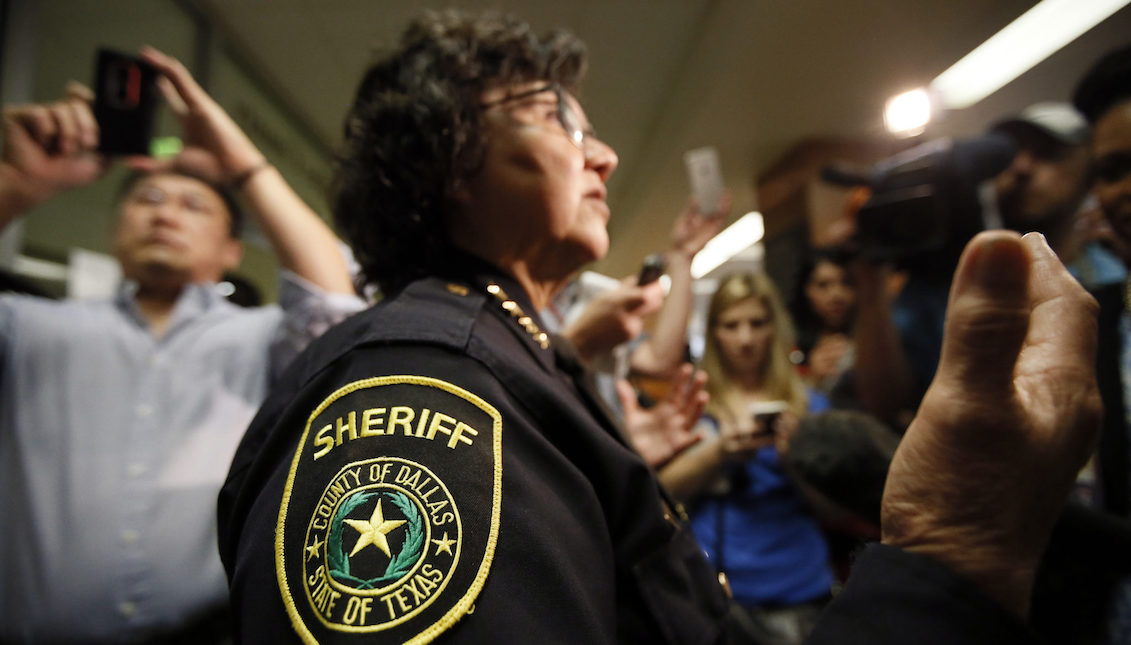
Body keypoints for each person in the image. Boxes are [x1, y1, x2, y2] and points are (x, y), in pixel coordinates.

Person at [217, 11, 1100, 644]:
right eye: (554, 116)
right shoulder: (419, 383)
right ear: (447, 156)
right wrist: (953, 553)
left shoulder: (506, 358)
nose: (599, 153)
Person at [0, 48, 363, 642]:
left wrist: (240, 160)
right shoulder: (30, 327)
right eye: (147, 200)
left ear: (230, 252)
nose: (166, 214)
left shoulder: (257, 337)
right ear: (114, 232)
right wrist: (15, 184)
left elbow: (335, 304)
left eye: (194, 206)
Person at [853, 102, 1092, 427]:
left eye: (1046, 153)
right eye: (1011, 154)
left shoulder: (1113, 272)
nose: (1021, 167)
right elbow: (886, 401)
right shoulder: (949, 286)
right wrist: (871, 282)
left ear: (1090, 169)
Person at [659, 272, 832, 645]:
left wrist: (793, 461)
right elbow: (663, 493)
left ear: (774, 326)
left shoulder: (808, 404)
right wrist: (719, 453)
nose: (745, 338)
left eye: (757, 323)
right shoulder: (694, 404)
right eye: (731, 325)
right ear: (714, 331)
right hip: (719, 587)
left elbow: (833, 506)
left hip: (799, 582)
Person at [789, 250, 855, 399]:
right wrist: (812, 379)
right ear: (805, 291)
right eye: (823, 285)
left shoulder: (875, 339)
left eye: (846, 283)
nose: (836, 294)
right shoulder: (790, 347)